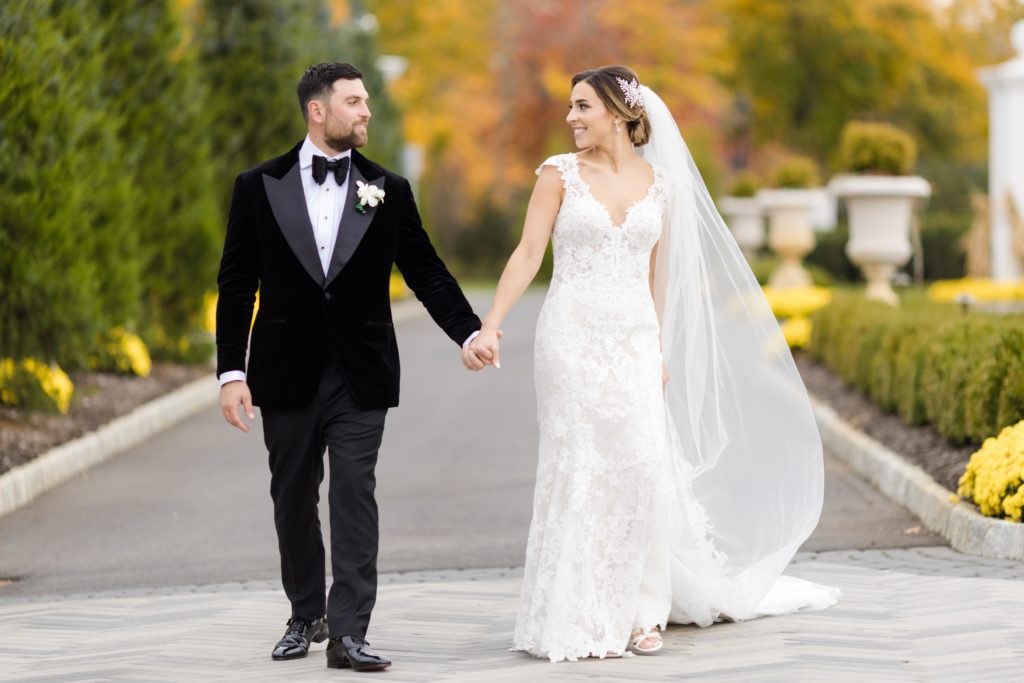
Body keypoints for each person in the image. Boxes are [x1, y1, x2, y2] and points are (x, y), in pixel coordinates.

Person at [467, 65, 839, 663]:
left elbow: (656, 277)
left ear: (618, 112)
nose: (571, 118)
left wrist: (660, 348)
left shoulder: (662, 184)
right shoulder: (558, 175)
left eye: (582, 106)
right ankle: (578, 610)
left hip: (635, 340)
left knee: (641, 470)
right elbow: (528, 253)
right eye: (570, 107)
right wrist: (491, 324)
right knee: (581, 466)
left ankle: (643, 611)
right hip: (571, 337)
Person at [215, 62, 489, 672]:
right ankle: (304, 612)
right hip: (284, 371)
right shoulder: (257, 186)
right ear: (318, 110)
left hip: (360, 372)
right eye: (355, 101)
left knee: (354, 493)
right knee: (291, 497)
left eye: (366, 101)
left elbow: (426, 271)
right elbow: (236, 287)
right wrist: (231, 372)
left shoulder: (387, 189)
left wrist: (467, 332)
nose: (367, 111)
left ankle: (349, 632)